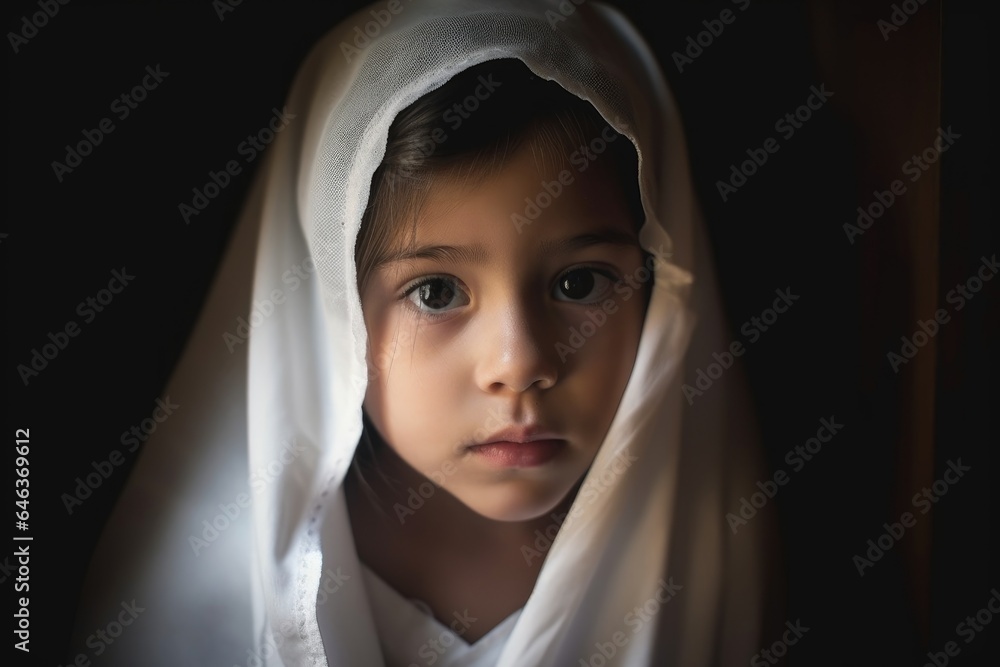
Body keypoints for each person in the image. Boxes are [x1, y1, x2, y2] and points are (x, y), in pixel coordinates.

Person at [74, 1, 771, 665]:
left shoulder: (721, 563)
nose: (520, 363)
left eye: (580, 282)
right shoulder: (209, 592)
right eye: (435, 292)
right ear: (330, 312)